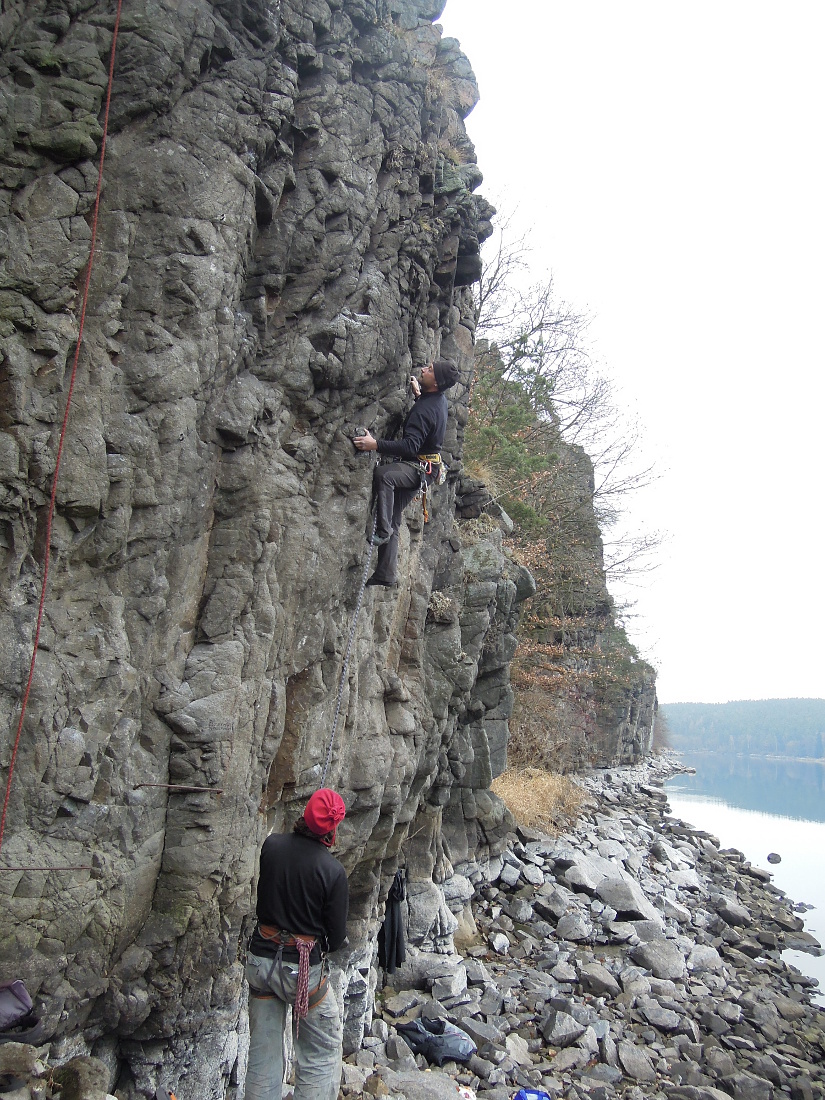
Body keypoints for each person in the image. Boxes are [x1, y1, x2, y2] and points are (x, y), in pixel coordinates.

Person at [245, 789, 349, 1100]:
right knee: (321, 1050)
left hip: (261, 962)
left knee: (263, 1054)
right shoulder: (332, 871)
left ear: (305, 816)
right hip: (301, 971)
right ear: (332, 829)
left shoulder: (271, 845)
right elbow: (334, 936)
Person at [353, 357, 461, 587]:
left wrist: (375, 444)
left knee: (385, 475)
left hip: (419, 467)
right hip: (427, 466)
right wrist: (419, 395)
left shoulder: (426, 410)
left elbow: (411, 446)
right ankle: (386, 573)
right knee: (393, 514)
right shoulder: (436, 399)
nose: (424, 369)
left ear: (436, 382)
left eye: (429, 370)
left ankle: (382, 529)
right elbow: (427, 415)